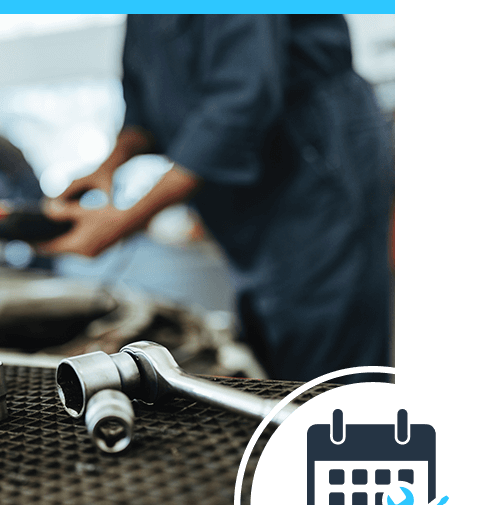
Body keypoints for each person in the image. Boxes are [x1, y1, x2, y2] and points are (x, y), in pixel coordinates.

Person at [39, 15, 393, 383]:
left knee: (325, 349)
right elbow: (148, 97)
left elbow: (241, 100)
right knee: (274, 343)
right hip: (248, 201)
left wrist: (127, 219)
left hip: (312, 169)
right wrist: (109, 166)